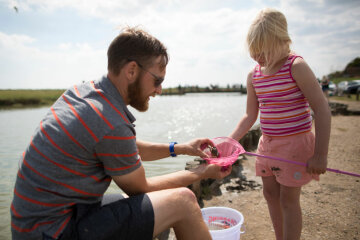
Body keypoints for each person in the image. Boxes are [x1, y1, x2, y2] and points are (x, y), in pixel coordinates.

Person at [10, 27, 232, 240]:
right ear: (132, 71)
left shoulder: (85, 94)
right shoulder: (109, 121)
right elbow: (141, 188)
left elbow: (126, 148)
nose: (159, 90)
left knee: (132, 202)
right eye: (158, 80)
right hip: (54, 232)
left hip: (35, 227)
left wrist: (180, 148)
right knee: (183, 201)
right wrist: (203, 172)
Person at [229, 8, 331, 240]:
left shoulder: (296, 67)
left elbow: (322, 110)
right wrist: (228, 141)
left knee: (288, 199)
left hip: (295, 146)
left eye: (263, 50)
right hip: (268, 146)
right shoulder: (254, 75)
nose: (258, 57)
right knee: (270, 193)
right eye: (254, 51)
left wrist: (320, 155)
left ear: (283, 41)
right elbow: (249, 116)